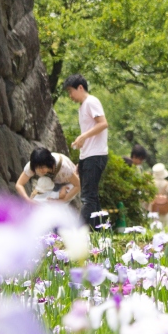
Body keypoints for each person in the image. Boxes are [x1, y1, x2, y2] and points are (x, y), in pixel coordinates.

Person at [63, 74, 109, 229]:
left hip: (96, 155)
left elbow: (103, 124)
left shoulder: (91, 101)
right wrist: (81, 161)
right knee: (92, 198)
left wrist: (83, 136)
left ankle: (77, 233)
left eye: (71, 91)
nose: (70, 96)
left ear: (80, 87)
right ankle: (100, 231)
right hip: (88, 156)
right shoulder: (83, 106)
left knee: (87, 198)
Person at [15, 147, 80, 206]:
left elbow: (78, 185)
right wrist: (28, 200)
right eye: (38, 168)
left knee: (58, 207)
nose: (41, 170)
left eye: (43, 167)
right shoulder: (32, 166)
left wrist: (62, 200)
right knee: (40, 203)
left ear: (50, 163)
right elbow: (19, 184)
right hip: (52, 182)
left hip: (69, 182)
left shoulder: (64, 167)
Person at [150, 163, 168, 228]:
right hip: (166, 211)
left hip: (153, 212)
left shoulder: (150, 184)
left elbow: (146, 200)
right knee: (165, 232)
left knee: (154, 232)